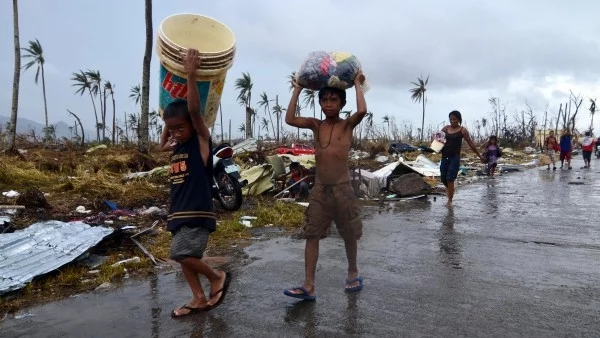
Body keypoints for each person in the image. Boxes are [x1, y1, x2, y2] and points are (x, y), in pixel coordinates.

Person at [283, 70, 367, 301]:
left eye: (334, 100)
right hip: (320, 190)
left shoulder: (347, 125)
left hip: (343, 190)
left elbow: (362, 111)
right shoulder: (315, 125)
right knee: (312, 234)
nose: (328, 104)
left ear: (341, 103)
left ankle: (353, 272)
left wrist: (358, 84)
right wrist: (298, 89)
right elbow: (289, 119)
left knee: (349, 234)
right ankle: (308, 285)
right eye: (325, 100)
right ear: (319, 102)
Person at [160, 49, 231, 317]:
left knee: (181, 254)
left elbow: (193, 110)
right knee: (183, 259)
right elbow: (161, 144)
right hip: (178, 210)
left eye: (181, 127)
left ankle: (216, 278)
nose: (176, 133)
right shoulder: (175, 145)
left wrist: (190, 74)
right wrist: (167, 111)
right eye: (172, 129)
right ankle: (198, 297)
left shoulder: (200, 142)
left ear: (194, 124)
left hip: (197, 210)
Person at [440, 111, 484, 206]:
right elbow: (438, 141)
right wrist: (433, 148)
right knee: (443, 178)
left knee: (450, 179)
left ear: (459, 119)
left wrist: (479, 156)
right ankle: (451, 190)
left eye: (455, 119)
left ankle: (449, 201)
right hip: (444, 157)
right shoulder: (445, 128)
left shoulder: (463, 130)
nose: (452, 121)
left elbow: (471, 143)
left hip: (454, 157)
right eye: (451, 119)